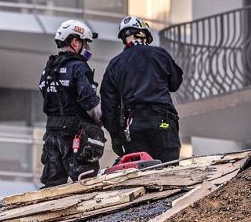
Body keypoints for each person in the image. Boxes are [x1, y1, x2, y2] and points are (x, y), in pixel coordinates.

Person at [101, 16, 184, 163]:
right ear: (143, 34)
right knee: (169, 171)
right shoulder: (159, 54)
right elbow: (175, 83)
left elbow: (109, 105)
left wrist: (116, 136)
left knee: (140, 172)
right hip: (162, 120)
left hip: (133, 127)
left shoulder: (115, 64)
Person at [37, 19, 106, 186]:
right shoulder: (79, 67)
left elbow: (43, 90)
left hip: (51, 134)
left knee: (52, 187)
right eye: (85, 43)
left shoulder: (49, 68)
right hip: (73, 134)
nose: (87, 48)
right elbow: (90, 103)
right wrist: (104, 120)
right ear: (75, 42)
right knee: (85, 183)